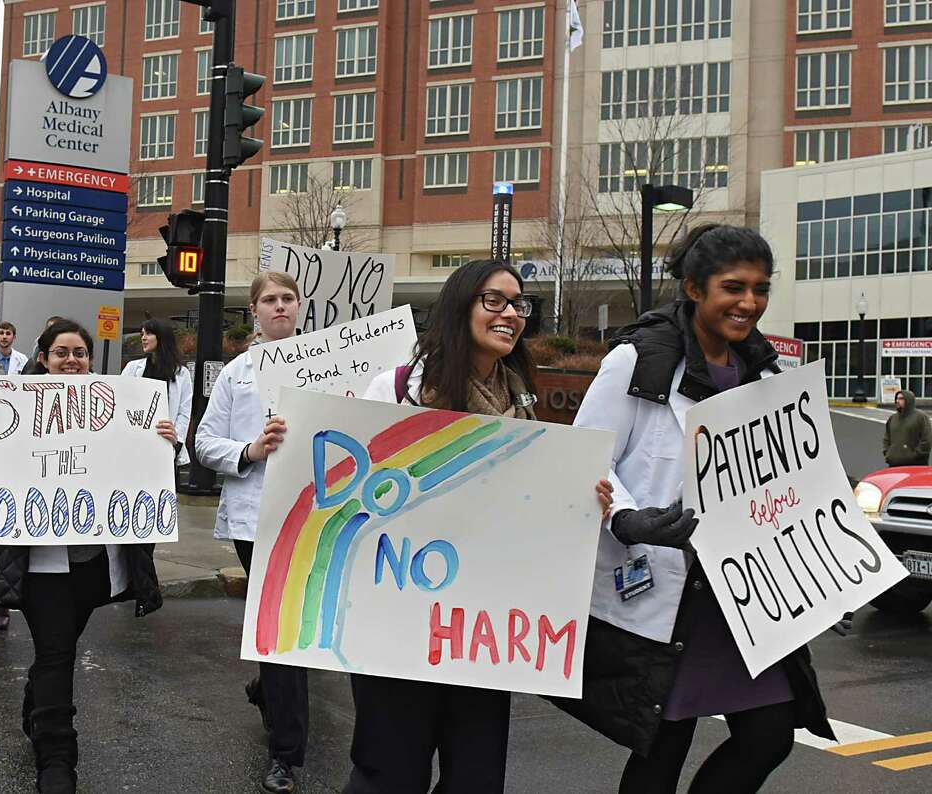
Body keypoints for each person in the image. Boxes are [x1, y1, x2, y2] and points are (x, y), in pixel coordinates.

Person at [560, 225, 834, 793]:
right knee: (664, 742)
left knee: (770, 732)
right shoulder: (636, 361)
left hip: (746, 594)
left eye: (760, 289)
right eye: (733, 287)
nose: (749, 303)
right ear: (693, 289)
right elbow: (584, 457)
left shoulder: (766, 373)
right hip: (671, 593)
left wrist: (826, 556)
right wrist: (627, 516)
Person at [344, 260, 612, 793]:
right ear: (459, 306)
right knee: (390, 775)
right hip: (398, 623)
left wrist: (585, 502)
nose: (510, 314)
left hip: (481, 635)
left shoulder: (523, 404)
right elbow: (348, 488)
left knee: (476, 778)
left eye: (518, 304)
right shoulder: (397, 390)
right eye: (494, 301)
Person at [0, 318, 175, 794]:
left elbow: (146, 471)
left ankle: (36, 704)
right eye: (62, 353)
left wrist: (163, 443)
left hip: (93, 565)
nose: (72, 361)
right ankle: (57, 763)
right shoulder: (11, 413)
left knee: (59, 648)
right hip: (41, 565)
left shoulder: (118, 411)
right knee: (56, 652)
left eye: (81, 353)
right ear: (42, 359)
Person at [195, 272, 311, 794]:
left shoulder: (329, 366)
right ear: (255, 311)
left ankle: (271, 689)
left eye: (288, 298)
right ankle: (286, 753)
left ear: (300, 306)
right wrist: (249, 452)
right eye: (269, 299)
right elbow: (204, 442)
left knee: (292, 626)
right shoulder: (236, 374)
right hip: (256, 516)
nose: (279, 306)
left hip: (317, 514)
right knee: (282, 627)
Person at [121, 318, 192, 478]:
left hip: (164, 441)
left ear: (162, 337)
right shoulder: (133, 368)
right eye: (142, 334)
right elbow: (120, 401)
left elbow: (184, 411)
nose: (143, 338)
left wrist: (176, 441)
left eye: (149, 333)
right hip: (134, 441)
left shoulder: (181, 373)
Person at [884, 389, 931, 467]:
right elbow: (886, 438)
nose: (897, 401)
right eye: (897, 398)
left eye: (901, 399)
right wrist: (888, 454)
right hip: (894, 464)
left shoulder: (920, 417)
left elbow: (926, 440)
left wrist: (915, 455)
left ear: (909, 400)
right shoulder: (892, 418)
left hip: (915, 465)